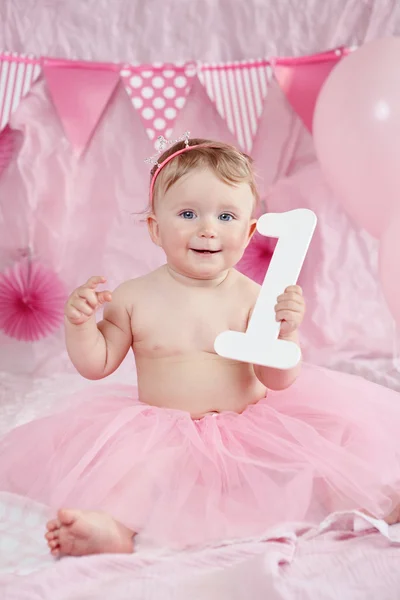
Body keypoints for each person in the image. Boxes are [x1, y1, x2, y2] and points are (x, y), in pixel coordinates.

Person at [1, 135, 400, 559]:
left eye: (226, 216)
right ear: (156, 227)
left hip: (250, 424)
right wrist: (80, 325)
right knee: (138, 470)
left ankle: (376, 498)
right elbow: (97, 364)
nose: (208, 228)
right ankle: (114, 528)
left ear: (248, 233)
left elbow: (276, 378)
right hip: (167, 429)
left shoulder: (252, 296)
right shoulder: (134, 297)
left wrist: (287, 333)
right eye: (188, 213)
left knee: (319, 454)